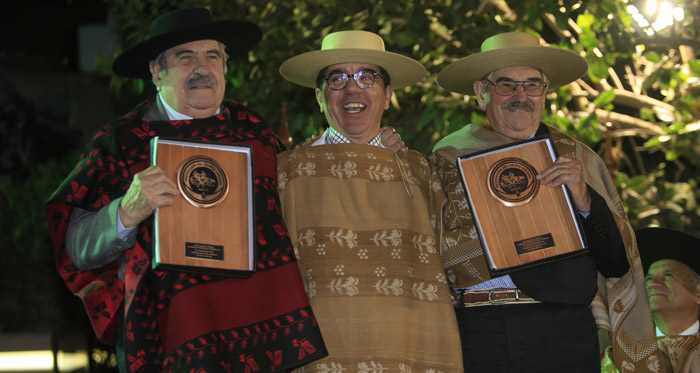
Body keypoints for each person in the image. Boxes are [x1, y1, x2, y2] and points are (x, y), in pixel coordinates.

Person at [45, 8, 328, 372]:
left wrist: (377, 149)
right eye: (185, 56)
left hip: (263, 340)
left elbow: (300, 197)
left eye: (212, 56)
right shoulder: (121, 142)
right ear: (156, 71)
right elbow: (77, 247)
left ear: (224, 68)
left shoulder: (254, 129)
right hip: (173, 342)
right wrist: (125, 213)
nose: (202, 67)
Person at [428, 31, 661, 371]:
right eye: (506, 85)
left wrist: (582, 198)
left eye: (532, 85)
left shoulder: (578, 158)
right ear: (482, 93)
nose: (520, 96)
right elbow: (429, 247)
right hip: (482, 329)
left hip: (565, 331)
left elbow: (616, 264)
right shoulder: (447, 159)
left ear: (545, 91)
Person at [276, 30, 463, 371]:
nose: (352, 89)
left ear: (388, 94)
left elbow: (456, 256)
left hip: (411, 345)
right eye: (337, 78)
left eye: (366, 77)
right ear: (319, 97)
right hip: (318, 352)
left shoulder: (422, 172)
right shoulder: (287, 173)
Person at [637, 227, 700, 372]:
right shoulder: (624, 357)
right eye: (649, 278)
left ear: (698, 292)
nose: (653, 284)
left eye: (668, 275)